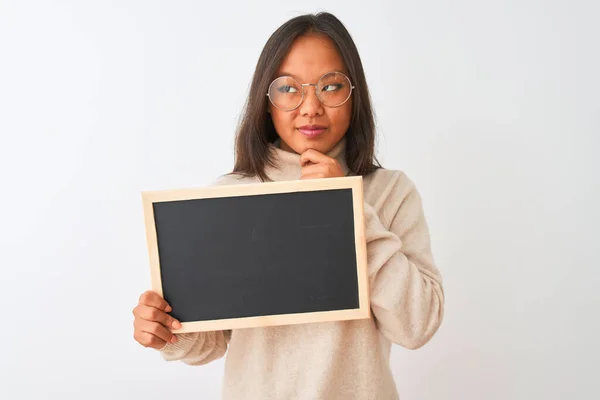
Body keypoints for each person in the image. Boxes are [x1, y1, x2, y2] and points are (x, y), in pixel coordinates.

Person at [132, 11, 444, 400]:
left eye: (330, 87)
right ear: (266, 100)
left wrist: (347, 208)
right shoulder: (233, 195)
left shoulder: (389, 192)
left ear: (354, 95)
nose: (310, 106)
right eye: (289, 88)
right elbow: (210, 342)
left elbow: (418, 325)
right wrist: (165, 331)